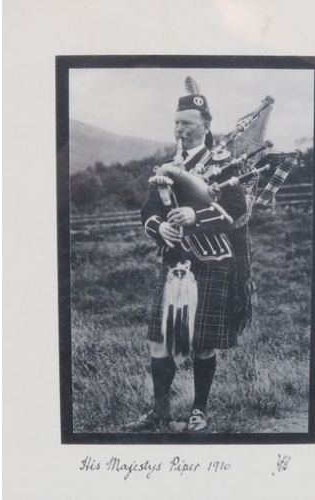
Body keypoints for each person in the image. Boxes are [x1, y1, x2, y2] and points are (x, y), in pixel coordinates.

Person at [127, 82, 249, 433]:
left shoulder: (223, 164)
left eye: (188, 123)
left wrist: (196, 216)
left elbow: (237, 207)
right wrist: (160, 227)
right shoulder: (167, 166)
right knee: (159, 340)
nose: (180, 129)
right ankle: (159, 413)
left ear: (206, 126)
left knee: (203, 343)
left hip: (211, 261)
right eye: (177, 123)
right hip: (174, 262)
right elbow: (149, 210)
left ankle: (199, 410)